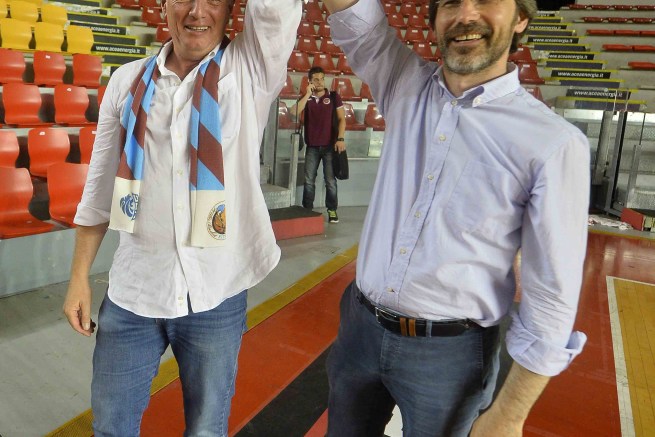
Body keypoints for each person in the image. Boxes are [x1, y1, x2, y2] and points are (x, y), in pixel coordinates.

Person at [322, 0, 590, 436]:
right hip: (359, 328)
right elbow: (359, 20)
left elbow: (552, 297)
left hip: (451, 357)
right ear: (434, 19)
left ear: (521, 18)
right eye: (450, 2)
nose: (466, 15)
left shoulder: (554, 145)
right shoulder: (404, 83)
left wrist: (509, 416)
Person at [61, 0, 301, 435]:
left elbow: (277, 9)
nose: (197, 12)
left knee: (206, 430)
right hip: (134, 292)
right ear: (165, 5)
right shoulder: (127, 82)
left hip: (215, 293)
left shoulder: (250, 70)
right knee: (111, 427)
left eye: (213, 0)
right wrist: (79, 277)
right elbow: (99, 189)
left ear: (232, 8)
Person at [291, 67, 346, 223]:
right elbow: (293, 112)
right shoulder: (306, 98)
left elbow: (342, 119)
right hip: (312, 147)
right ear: (310, 81)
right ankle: (307, 210)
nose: (320, 82)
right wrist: (307, 94)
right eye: (316, 79)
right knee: (309, 180)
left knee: (330, 180)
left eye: (322, 79)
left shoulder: (334, 97)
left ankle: (332, 210)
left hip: (330, 146)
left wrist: (341, 138)